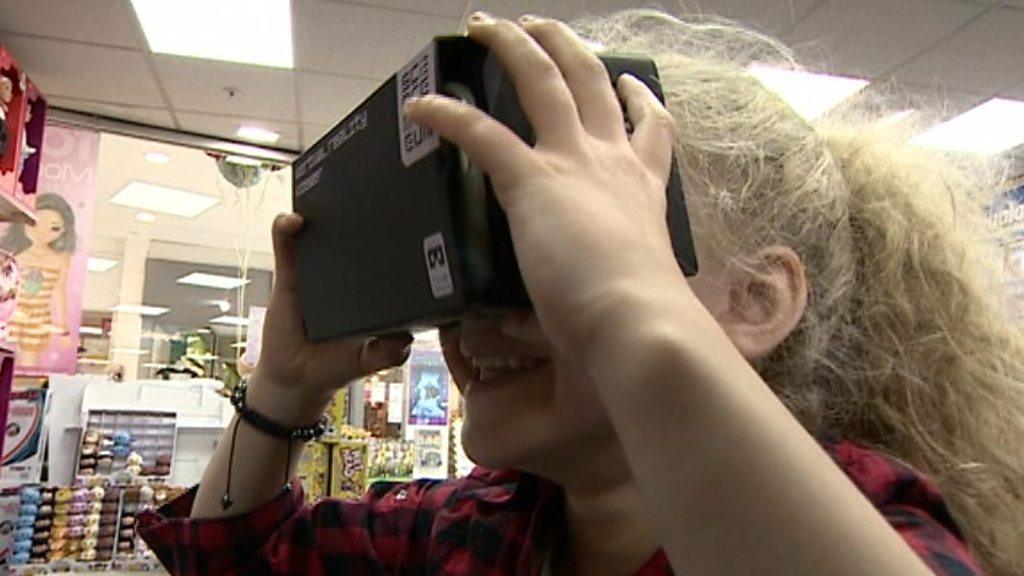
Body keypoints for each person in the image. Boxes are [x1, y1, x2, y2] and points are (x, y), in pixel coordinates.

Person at [138, 10, 1024, 576]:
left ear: (756, 301)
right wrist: (283, 393)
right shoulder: (476, 528)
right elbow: (239, 561)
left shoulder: (869, 525)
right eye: (497, 249)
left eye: (551, 247)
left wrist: (621, 308)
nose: (476, 316)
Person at [0, 193, 77, 367]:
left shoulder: (61, 259)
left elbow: (59, 291)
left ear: (65, 230)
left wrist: (64, 328)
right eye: (36, 224)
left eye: (54, 228)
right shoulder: (15, 253)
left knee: (26, 365)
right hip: (11, 315)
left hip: (39, 317)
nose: (42, 233)